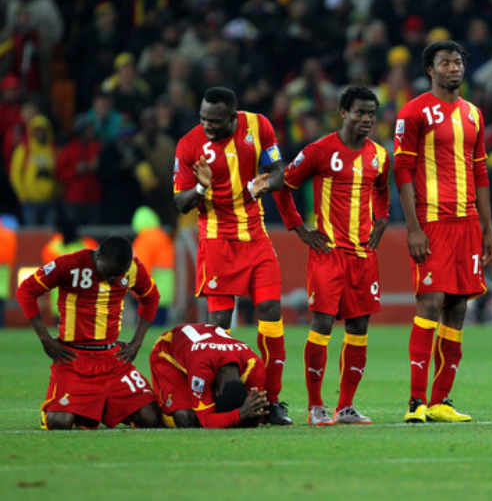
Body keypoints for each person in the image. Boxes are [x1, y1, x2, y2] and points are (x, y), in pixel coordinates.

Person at [173, 86, 292, 425]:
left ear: (233, 118)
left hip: (256, 237)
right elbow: (181, 203)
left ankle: (271, 400)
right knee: (220, 328)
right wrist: (201, 187)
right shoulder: (189, 145)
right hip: (217, 242)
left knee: (270, 309)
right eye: (203, 119)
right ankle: (217, 399)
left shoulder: (258, 126)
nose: (207, 126)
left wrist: (266, 185)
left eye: (215, 121)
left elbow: (279, 171)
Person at [393, 40, 492, 423]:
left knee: (458, 307)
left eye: (458, 62)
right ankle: (416, 402)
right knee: (430, 303)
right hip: (432, 222)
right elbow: (402, 171)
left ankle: (441, 400)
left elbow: (480, 172)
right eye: (445, 63)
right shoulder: (414, 112)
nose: (454, 68)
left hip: (467, 223)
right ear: (430, 70)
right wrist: (413, 228)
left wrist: (486, 228)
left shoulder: (473, 114)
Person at [274, 86, 389, 426]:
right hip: (329, 253)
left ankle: (347, 406)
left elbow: (382, 190)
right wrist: (299, 228)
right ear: (343, 112)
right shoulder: (319, 150)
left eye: (371, 113)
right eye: (359, 112)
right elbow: (283, 185)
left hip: (363, 257)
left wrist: (381, 220)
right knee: (322, 324)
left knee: (359, 326)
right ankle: (315, 406)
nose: (366, 119)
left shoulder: (379, 155)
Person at [16, 235, 162, 430]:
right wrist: (46, 340)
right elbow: (26, 291)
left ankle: (96, 407)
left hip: (113, 360)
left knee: (151, 419)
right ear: (98, 256)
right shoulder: (69, 264)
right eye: (109, 273)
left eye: (118, 275)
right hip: (74, 359)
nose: (113, 279)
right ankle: (84, 408)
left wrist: (136, 342)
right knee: (59, 423)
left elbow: (151, 298)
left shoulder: (133, 269)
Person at [149, 323, 269, 428]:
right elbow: (206, 420)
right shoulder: (201, 368)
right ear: (215, 392)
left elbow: (255, 411)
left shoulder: (255, 365)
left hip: (198, 351)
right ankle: (151, 410)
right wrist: (240, 414)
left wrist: (249, 413)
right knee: (185, 418)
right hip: (167, 354)